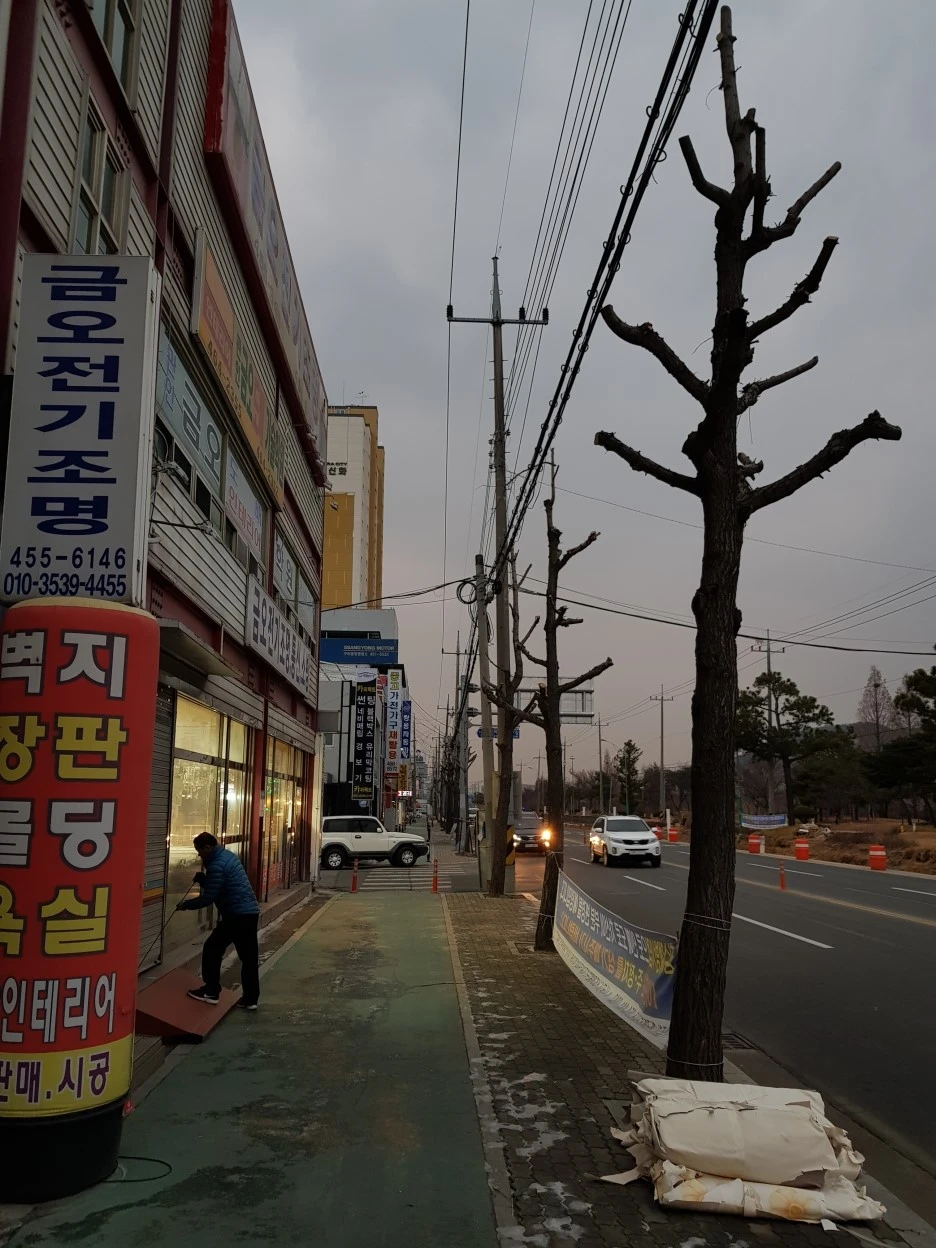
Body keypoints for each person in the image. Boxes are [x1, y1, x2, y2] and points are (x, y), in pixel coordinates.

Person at [177, 832, 261, 1010]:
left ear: (207, 848)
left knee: (212, 948)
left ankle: (211, 991)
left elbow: (208, 898)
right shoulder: (226, 856)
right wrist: (204, 880)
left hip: (236, 915)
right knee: (249, 958)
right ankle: (251, 999)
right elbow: (221, 887)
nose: (199, 855)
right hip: (249, 912)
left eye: (200, 851)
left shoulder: (216, 865)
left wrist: (185, 905)